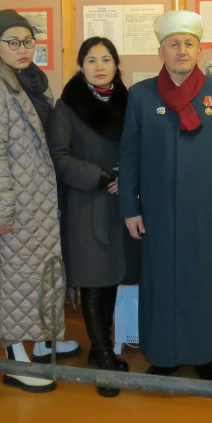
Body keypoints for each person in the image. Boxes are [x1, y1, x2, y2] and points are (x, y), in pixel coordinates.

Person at [119, 10, 212, 381]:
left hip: (206, 211)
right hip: (156, 211)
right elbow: (129, 154)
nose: (181, 50)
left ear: (199, 50)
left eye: (189, 43)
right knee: (160, 282)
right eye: (173, 44)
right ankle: (162, 355)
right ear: (161, 52)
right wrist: (129, 208)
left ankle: (204, 355)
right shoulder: (141, 95)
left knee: (202, 283)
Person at [0, 9, 80, 393]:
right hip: (12, 206)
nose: (22, 49)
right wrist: (2, 210)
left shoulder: (33, 82)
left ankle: (43, 341)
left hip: (39, 203)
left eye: (28, 41)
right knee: (10, 281)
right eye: (12, 42)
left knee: (40, 277)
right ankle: (15, 358)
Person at [47, 37, 138, 398]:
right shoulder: (68, 105)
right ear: (81, 66)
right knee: (93, 280)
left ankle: (100, 347)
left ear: (116, 65)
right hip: (86, 204)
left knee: (111, 278)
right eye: (91, 60)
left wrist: (127, 175)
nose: (99, 67)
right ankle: (103, 355)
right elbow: (58, 156)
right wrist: (99, 176)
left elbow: (139, 147)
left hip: (120, 205)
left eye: (106, 60)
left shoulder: (128, 101)